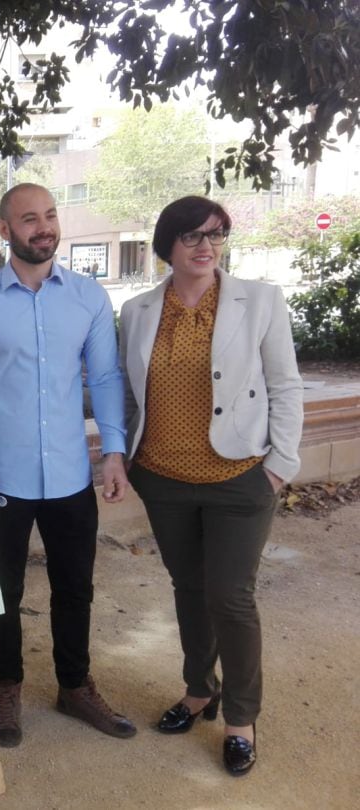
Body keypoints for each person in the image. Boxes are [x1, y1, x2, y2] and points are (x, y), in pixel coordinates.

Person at [119, 196, 303, 776]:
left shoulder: (260, 300)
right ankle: (200, 690)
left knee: (230, 595)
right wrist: (123, 456)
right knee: (188, 588)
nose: (206, 247)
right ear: (167, 243)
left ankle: (241, 717)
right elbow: (129, 392)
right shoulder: (140, 309)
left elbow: (286, 385)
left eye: (217, 236)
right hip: (164, 478)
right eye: (193, 236)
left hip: (238, 477)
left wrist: (279, 465)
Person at [0, 182, 136, 747]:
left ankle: (74, 686)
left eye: (50, 215)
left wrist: (113, 451)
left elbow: (104, 378)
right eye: (29, 219)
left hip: (71, 476)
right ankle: (7, 687)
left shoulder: (87, 298)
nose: (43, 227)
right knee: (1, 591)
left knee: (74, 585)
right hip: (1, 479)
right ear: (5, 231)